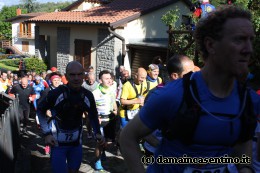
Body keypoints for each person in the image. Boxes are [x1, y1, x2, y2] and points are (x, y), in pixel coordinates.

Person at [119, 6, 259, 173]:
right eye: (239, 40)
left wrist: (245, 169)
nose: (249, 49)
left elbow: (243, 145)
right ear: (211, 45)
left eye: (251, 40)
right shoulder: (173, 95)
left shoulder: (248, 99)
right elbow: (127, 136)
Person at [37, 61, 105, 173]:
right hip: (57, 143)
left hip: (76, 143)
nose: (76, 78)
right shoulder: (56, 93)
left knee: (74, 170)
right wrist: (47, 134)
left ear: (84, 75)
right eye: (72, 75)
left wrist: (97, 132)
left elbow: (92, 114)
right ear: (66, 76)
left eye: (79, 74)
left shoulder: (87, 95)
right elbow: (40, 110)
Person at [143, 55, 195, 157]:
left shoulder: (191, 93)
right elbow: (140, 131)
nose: (194, 76)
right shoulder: (155, 95)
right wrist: (162, 147)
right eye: (189, 73)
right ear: (175, 76)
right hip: (156, 152)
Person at [92, 70, 117, 170]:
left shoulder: (111, 90)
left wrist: (116, 111)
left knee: (108, 142)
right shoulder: (95, 93)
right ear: (100, 80)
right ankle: (97, 162)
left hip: (110, 120)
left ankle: (102, 153)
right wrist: (95, 118)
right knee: (100, 143)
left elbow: (113, 102)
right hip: (100, 121)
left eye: (110, 78)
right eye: (106, 78)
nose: (109, 80)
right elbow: (91, 110)